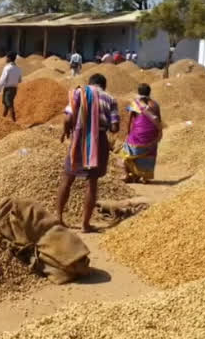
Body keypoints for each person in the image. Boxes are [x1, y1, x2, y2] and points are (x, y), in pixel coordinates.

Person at [57, 73, 120, 233]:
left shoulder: (79, 93)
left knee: (68, 177)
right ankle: (85, 224)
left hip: (79, 140)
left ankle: (58, 218)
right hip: (98, 143)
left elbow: (66, 119)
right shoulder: (110, 99)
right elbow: (114, 128)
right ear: (103, 86)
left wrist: (66, 132)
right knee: (92, 184)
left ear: (90, 83)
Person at [121, 83, 162, 183]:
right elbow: (159, 120)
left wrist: (128, 133)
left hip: (138, 135)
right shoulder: (155, 104)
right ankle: (145, 177)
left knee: (125, 152)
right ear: (149, 92)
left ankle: (127, 175)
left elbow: (129, 120)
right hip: (152, 136)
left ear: (138, 92)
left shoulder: (135, 104)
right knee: (149, 154)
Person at [0, 52, 22, 122]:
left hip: (8, 89)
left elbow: (2, 80)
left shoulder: (7, 68)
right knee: (6, 104)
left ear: (9, 58)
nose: (6, 59)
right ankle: (2, 119)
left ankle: (14, 120)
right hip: (14, 89)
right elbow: (20, 80)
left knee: (9, 103)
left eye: (6, 57)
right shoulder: (18, 69)